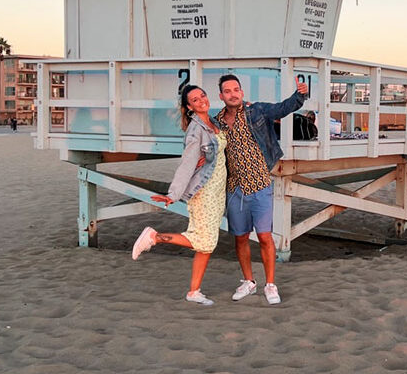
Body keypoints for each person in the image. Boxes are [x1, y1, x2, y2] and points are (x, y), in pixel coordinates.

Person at [215, 74, 309, 305]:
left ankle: (270, 285)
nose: (233, 94)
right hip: (235, 188)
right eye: (228, 91)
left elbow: (281, 109)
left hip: (259, 184)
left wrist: (300, 96)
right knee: (240, 238)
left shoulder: (256, 111)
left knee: (265, 237)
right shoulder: (216, 121)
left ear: (242, 92)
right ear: (221, 96)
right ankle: (249, 282)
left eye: (236, 89)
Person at [131, 85, 227, 306]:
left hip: (217, 191)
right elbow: (187, 164)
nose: (201, 100)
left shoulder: (213, 122)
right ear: (189, 107)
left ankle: (194, 292)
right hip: (204, 192)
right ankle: (155, 237)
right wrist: (173, 194)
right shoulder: (196, 130)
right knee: (204, 240)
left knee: (206, 244)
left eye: (202, 95)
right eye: (195, 99)